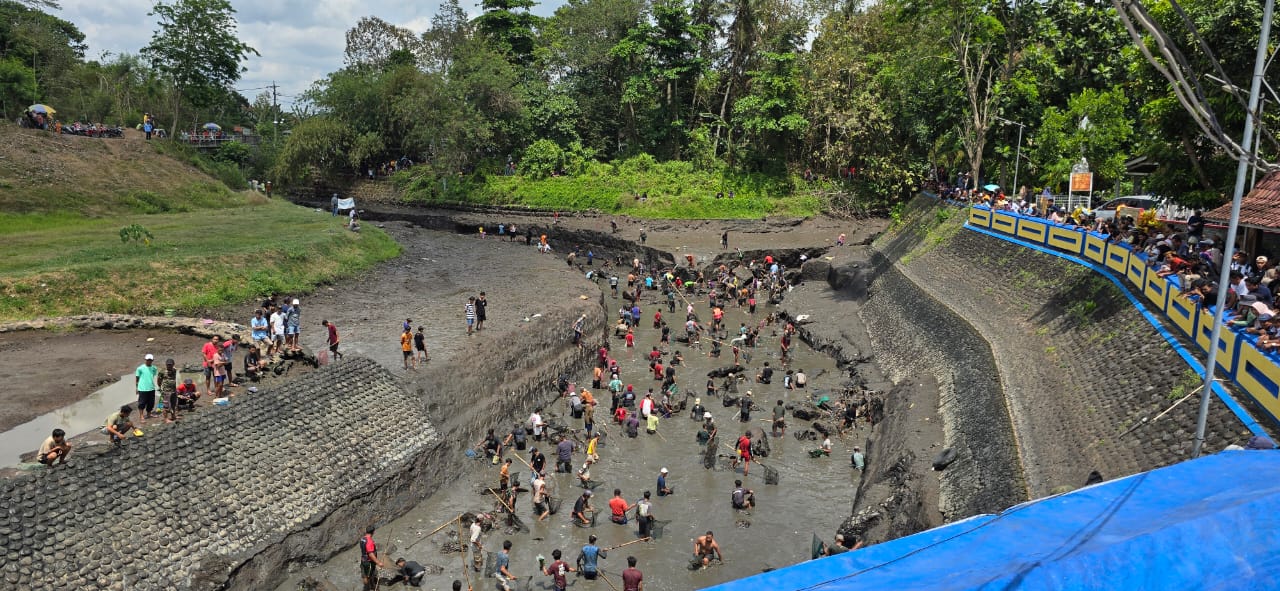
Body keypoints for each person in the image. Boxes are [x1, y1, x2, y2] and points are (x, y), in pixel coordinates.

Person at [359, 526, 386, 591]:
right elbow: (370, 554)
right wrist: (379, 563)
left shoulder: (362, 539)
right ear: (373, 532)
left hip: (363, 560)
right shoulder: (369, 541)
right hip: (369, 562)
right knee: (369, 575)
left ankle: (369, 585)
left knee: (364, 574)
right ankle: (368, 587)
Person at [135, 353, 159, 423]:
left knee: (151, 402)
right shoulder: (140, 368)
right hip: (142, 388)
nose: (149, 361)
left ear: (152, 360)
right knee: (142, 403)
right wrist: (137, 388)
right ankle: (141, 416)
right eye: (148, 360)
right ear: (145, 359)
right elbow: (137, 378)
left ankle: (149, 413)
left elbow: (153, 375)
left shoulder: (154, 368)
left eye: (150, 360)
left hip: (151, 388)